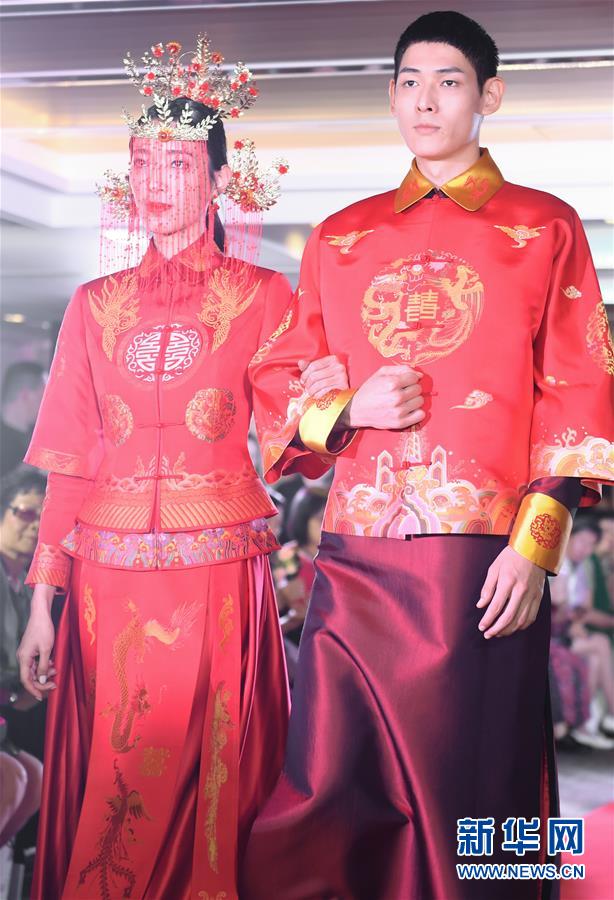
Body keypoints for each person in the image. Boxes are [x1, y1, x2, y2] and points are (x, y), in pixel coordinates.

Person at [244, 11, 614, 900]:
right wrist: (349, 408)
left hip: (479, 560)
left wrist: (536, 547)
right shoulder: (339, 236)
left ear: (490, 96)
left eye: (448, 82)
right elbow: (280, 379)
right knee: (334, 778)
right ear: (391, 96)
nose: (425, 100)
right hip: (355, 556)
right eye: (410, 82)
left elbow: (580, 392)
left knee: (475, 778)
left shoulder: (547, 226)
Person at [15, 33, 313, 900]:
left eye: (178, 164)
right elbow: (69, 461)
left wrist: (345, 407)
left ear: (218, 180)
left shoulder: (262, 295)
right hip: (104, 577)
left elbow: (295, 431)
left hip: (215, 569)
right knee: (114, 766)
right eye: (142, 162)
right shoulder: (92, 305)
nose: (155, 181)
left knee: (205, 770)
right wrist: (42, 601)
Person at [0, 469, 46, 849]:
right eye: (25, 513)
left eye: (41, 519)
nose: (34, 527)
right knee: (13, 779)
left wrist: (27, 689)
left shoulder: (25, 589)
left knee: (35, 778)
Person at [551, 517, 614, 740]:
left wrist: (574, 620)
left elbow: (582, 608)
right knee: (601, 644)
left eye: (590, 545)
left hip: (566, 631)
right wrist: (568, 614)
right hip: (552, 635)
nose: (585, 549)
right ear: (568, 537)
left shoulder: (580, 568)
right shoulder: (556, 564)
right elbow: (558, 612)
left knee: (596, 657)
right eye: (581, 542)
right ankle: (599, 719)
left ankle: (582, 726)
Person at [0, 363, 46, 478]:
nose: (45, 404)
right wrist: (22, 474)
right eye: (43, 396)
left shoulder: (37, 436)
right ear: (25, 395)